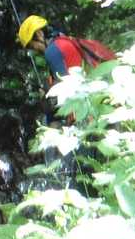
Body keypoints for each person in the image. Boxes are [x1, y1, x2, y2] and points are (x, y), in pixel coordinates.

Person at [17, 15, 116, 187]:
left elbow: (65, 89)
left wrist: (47, 96)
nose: (35, 51)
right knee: (98, 167)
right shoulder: (65, 42)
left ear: (39, 34)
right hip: (97, 108)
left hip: (84, 117)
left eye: (33, 46)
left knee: (84, 172)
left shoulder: (52, 51)